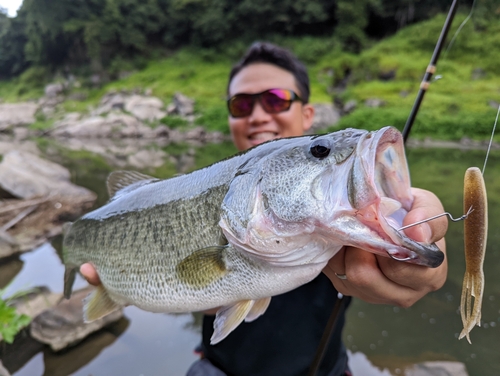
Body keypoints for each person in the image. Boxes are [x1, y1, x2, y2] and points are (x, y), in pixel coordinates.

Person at [80, 42, 448, 376]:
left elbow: (413, 219)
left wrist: (416, 229)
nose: (257, 116)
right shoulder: (192, 190)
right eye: (241, 105)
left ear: (307, 115)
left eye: (275, 100)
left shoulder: (339, 215)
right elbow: (199, 290)